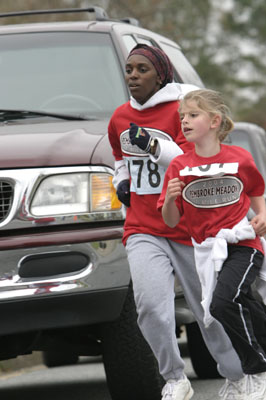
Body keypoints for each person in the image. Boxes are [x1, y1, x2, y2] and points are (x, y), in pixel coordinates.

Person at [108, 44, 244, 400]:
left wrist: (153, 147)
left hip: (188, 228)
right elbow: (119, 156)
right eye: (129, 69)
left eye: (142, 70)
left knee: (207, 311)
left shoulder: (183, 111)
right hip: (142, 228)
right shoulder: (120, 117)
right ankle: (174, 379)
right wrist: (120, 181)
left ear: (161, 74)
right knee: (151, 306)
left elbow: (194, 158)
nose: (133, 76)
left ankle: (236, 376)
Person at [160, 88, 266, 400]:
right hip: (208, 251)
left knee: (223, 302)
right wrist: (169, 198)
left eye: (193, 115)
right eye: (182, 117)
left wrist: (262, 216)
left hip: (244, 243)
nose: (185, 121)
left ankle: (256, 371)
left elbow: (257, 190)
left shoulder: (239, 158)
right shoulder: (179, 166)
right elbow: (168, 221)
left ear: (214, 120)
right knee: (243, 302)